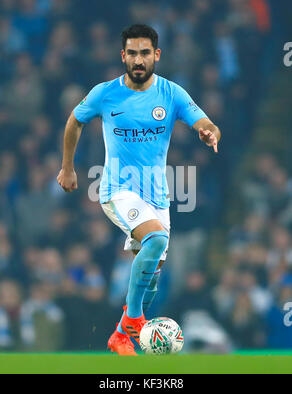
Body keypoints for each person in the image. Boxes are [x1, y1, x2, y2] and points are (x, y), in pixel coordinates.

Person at [57, 24, 221, 355]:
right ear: (123, 56)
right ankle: (133, 321)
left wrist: (209, 132)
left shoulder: (172, 94)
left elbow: (204, 121)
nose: (138, 59)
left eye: (145, 53)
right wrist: (67, 167)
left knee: (151, 281)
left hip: (157, 197)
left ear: (156, 55)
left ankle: (120, 334)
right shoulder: (105, 93)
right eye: (132, 53)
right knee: (156, 239)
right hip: (117, 190)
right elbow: (75, 120)